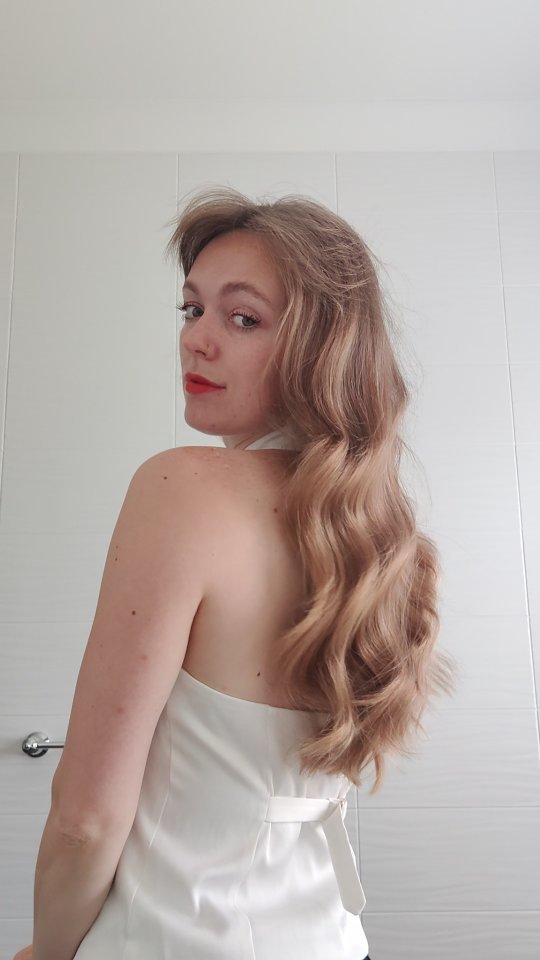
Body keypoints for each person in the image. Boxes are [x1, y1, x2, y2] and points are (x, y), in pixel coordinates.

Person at [16, 186, 457, 960]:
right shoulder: (383, 537)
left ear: (321, 346)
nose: (197, 339)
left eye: (243, 318)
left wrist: (46, 953)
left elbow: (86, 818)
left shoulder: (180, 488)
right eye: (192, 309)